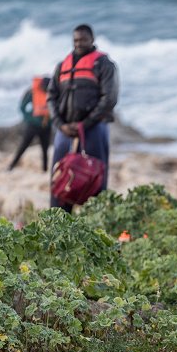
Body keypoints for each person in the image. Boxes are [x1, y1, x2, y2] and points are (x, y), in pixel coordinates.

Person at [47, 23, 119, 212]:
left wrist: (85, 124)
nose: (78, 43)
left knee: (95, 176)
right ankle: (59, 220)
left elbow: (109, 99)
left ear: (92, 40)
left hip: (94, 128)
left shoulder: (104, 64)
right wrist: (60, 125)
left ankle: (96, 220)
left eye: (83, 40)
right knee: (59, 174)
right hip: (65, 130)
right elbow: (51, 97)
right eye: (75, 40)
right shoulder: (62, 65)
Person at [8, 77, 51, 172]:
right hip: (32, 126)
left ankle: (44, 170)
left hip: (46, 126)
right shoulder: (32, 92)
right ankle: (11, 166)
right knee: (23, 146)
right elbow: (22, 107)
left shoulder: (53, 92)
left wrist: (51, 121)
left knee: (45, 149)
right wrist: (30, 119)